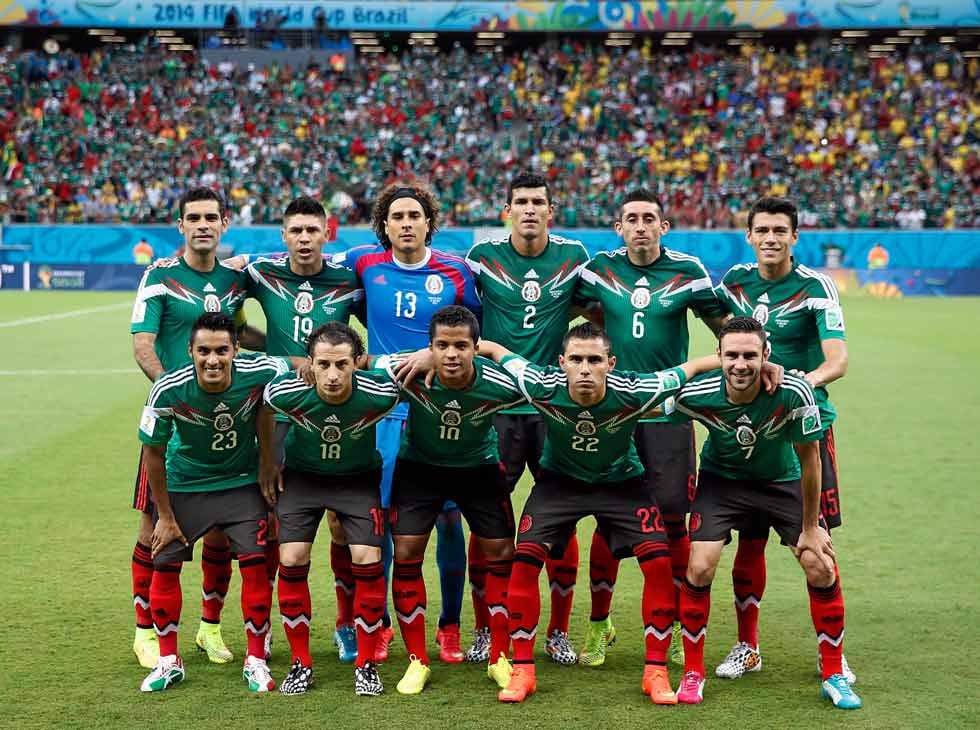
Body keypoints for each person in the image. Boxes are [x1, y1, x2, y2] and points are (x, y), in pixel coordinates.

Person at [478, 322, 721, 704]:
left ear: (611, 363)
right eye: (576, 359)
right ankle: (523, 670)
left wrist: (727, 360)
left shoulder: (634, 390)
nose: (585, 368)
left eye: (594, 360)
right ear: (562, 363)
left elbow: (685, 371)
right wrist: (435, 353)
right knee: (523, 560)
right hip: (560, 483)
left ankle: (655, 671)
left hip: (622, 484)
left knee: (658, 563)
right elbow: (495, 349)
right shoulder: (541, 384)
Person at [668, 316, 861, 710]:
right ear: (718, 355)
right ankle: (693, 673)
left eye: (750, 356)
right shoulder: (696, 393)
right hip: (722, 484)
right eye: (732, 355)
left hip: (782, 481)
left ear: (766, 355)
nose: (741, 364)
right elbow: (649, 401)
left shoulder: (795, 393)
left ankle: (833, 673)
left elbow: (811, 460)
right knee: (700, 566)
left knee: (820, 564)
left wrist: (810, 528)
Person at [573, 188, 729, 668]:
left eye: (649, 218)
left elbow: (726, 323)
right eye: (631, 219)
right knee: (607, 519)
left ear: (664, 226)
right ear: (619, 227)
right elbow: (579, 309)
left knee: (673, 521)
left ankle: (679, 627)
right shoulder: (599, 270)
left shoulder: (689, 271)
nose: (640, 226)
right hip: (613, 414)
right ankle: (599, 626)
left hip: (668, 414)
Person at [333, 182, 482, 663]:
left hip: (443, 414)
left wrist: (431, 355)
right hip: (386, 412)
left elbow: (473, 332)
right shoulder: (364, 263)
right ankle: (377, 627)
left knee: (449, 521)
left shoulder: (457, 271)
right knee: (384, 524)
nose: (405, 223)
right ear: (384, 224)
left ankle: (450, 626)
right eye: (396, 216)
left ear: (427, 222)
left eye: (414, 215)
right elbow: (309, 273)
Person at [714, 197, 855, 684]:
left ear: (796, 236)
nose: (771, 238)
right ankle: (747, 646)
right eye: (762, 230)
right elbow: (728, 343)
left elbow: (837, 360)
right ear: (749, 236)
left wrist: (796, 384)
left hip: (802, 425)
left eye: (780, 230)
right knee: (748, 541)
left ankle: (833, 653)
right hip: (745, 431)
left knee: (817, 544)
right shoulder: (733, 282)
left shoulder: (816, 286)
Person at [129, 188, 263, 669]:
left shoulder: (235, 279)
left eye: (211, 217)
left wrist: (292, 358)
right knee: (154, 527)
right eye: (194, 218)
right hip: (175, 422)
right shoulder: (160, 276)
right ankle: (145, 630)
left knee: (224, 533)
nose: (203, 224)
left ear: (224, 223)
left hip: (228, 422)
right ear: (180, 225)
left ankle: (210, 628)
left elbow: (240, 334)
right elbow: (143, 345)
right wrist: (178, 395)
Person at [463, 171, 590, 664]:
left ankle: (558, 631)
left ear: (550, 211)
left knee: (561, 517)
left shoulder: (574, 257)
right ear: (507, 211)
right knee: (487, 516)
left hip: (553, 409)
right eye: (521, 201)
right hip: (496, 409)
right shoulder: (482, 259)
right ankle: (482, 628)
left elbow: (601, 309)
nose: (530, 209)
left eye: (539, 201)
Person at [136, 313, 287, 692]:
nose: (213, 359)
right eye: (203, 351)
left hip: (240, 484)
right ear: (190, 352)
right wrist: (165, 516)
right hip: (185, 484)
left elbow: (299, 369)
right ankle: (169, 660)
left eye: (222, 350)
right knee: (166, 565)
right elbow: (153, 452)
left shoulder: (261, 370)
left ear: (236, 350)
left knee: (255, 566)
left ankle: (255, 660)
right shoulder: (168, 388)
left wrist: (269, 460)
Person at [378, 305, 523, 694]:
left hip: (479, 469)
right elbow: (362, 364)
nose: (452, 354)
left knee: (501, 554)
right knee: (406, 552)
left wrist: (495, 350)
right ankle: (416, 661)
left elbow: (537, 380)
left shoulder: (500, 384)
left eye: (461, 345)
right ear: (429, 347)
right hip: (419, 469)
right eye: (442, 345)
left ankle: (499, 657)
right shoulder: (410, 373)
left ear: (476, 347)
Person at [245, 196, 365, 662]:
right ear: (283, 236)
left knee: (339, 523)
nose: (304, 238)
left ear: (327, 233)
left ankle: (345, 624)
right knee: (275, 523)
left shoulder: (348, 280)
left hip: (336, 412)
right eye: (295, 230)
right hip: (277, 416)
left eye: (312, 230)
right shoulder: (259, 274)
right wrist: (262, 354)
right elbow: (223, 299)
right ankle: (271, 626)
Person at [263, 323, 398, 696]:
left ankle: (366, 664)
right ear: (310, 363)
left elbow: (420, 382)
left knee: (368, 557)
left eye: (342, 364)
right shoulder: (285, 391)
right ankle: (300, 663)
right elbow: (263, 409)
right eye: (323, 364)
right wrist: (271, 459)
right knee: (290, 557)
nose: (333, 375)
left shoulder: (381, 392)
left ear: (358, 362)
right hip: (303, 480)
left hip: (357, 481)